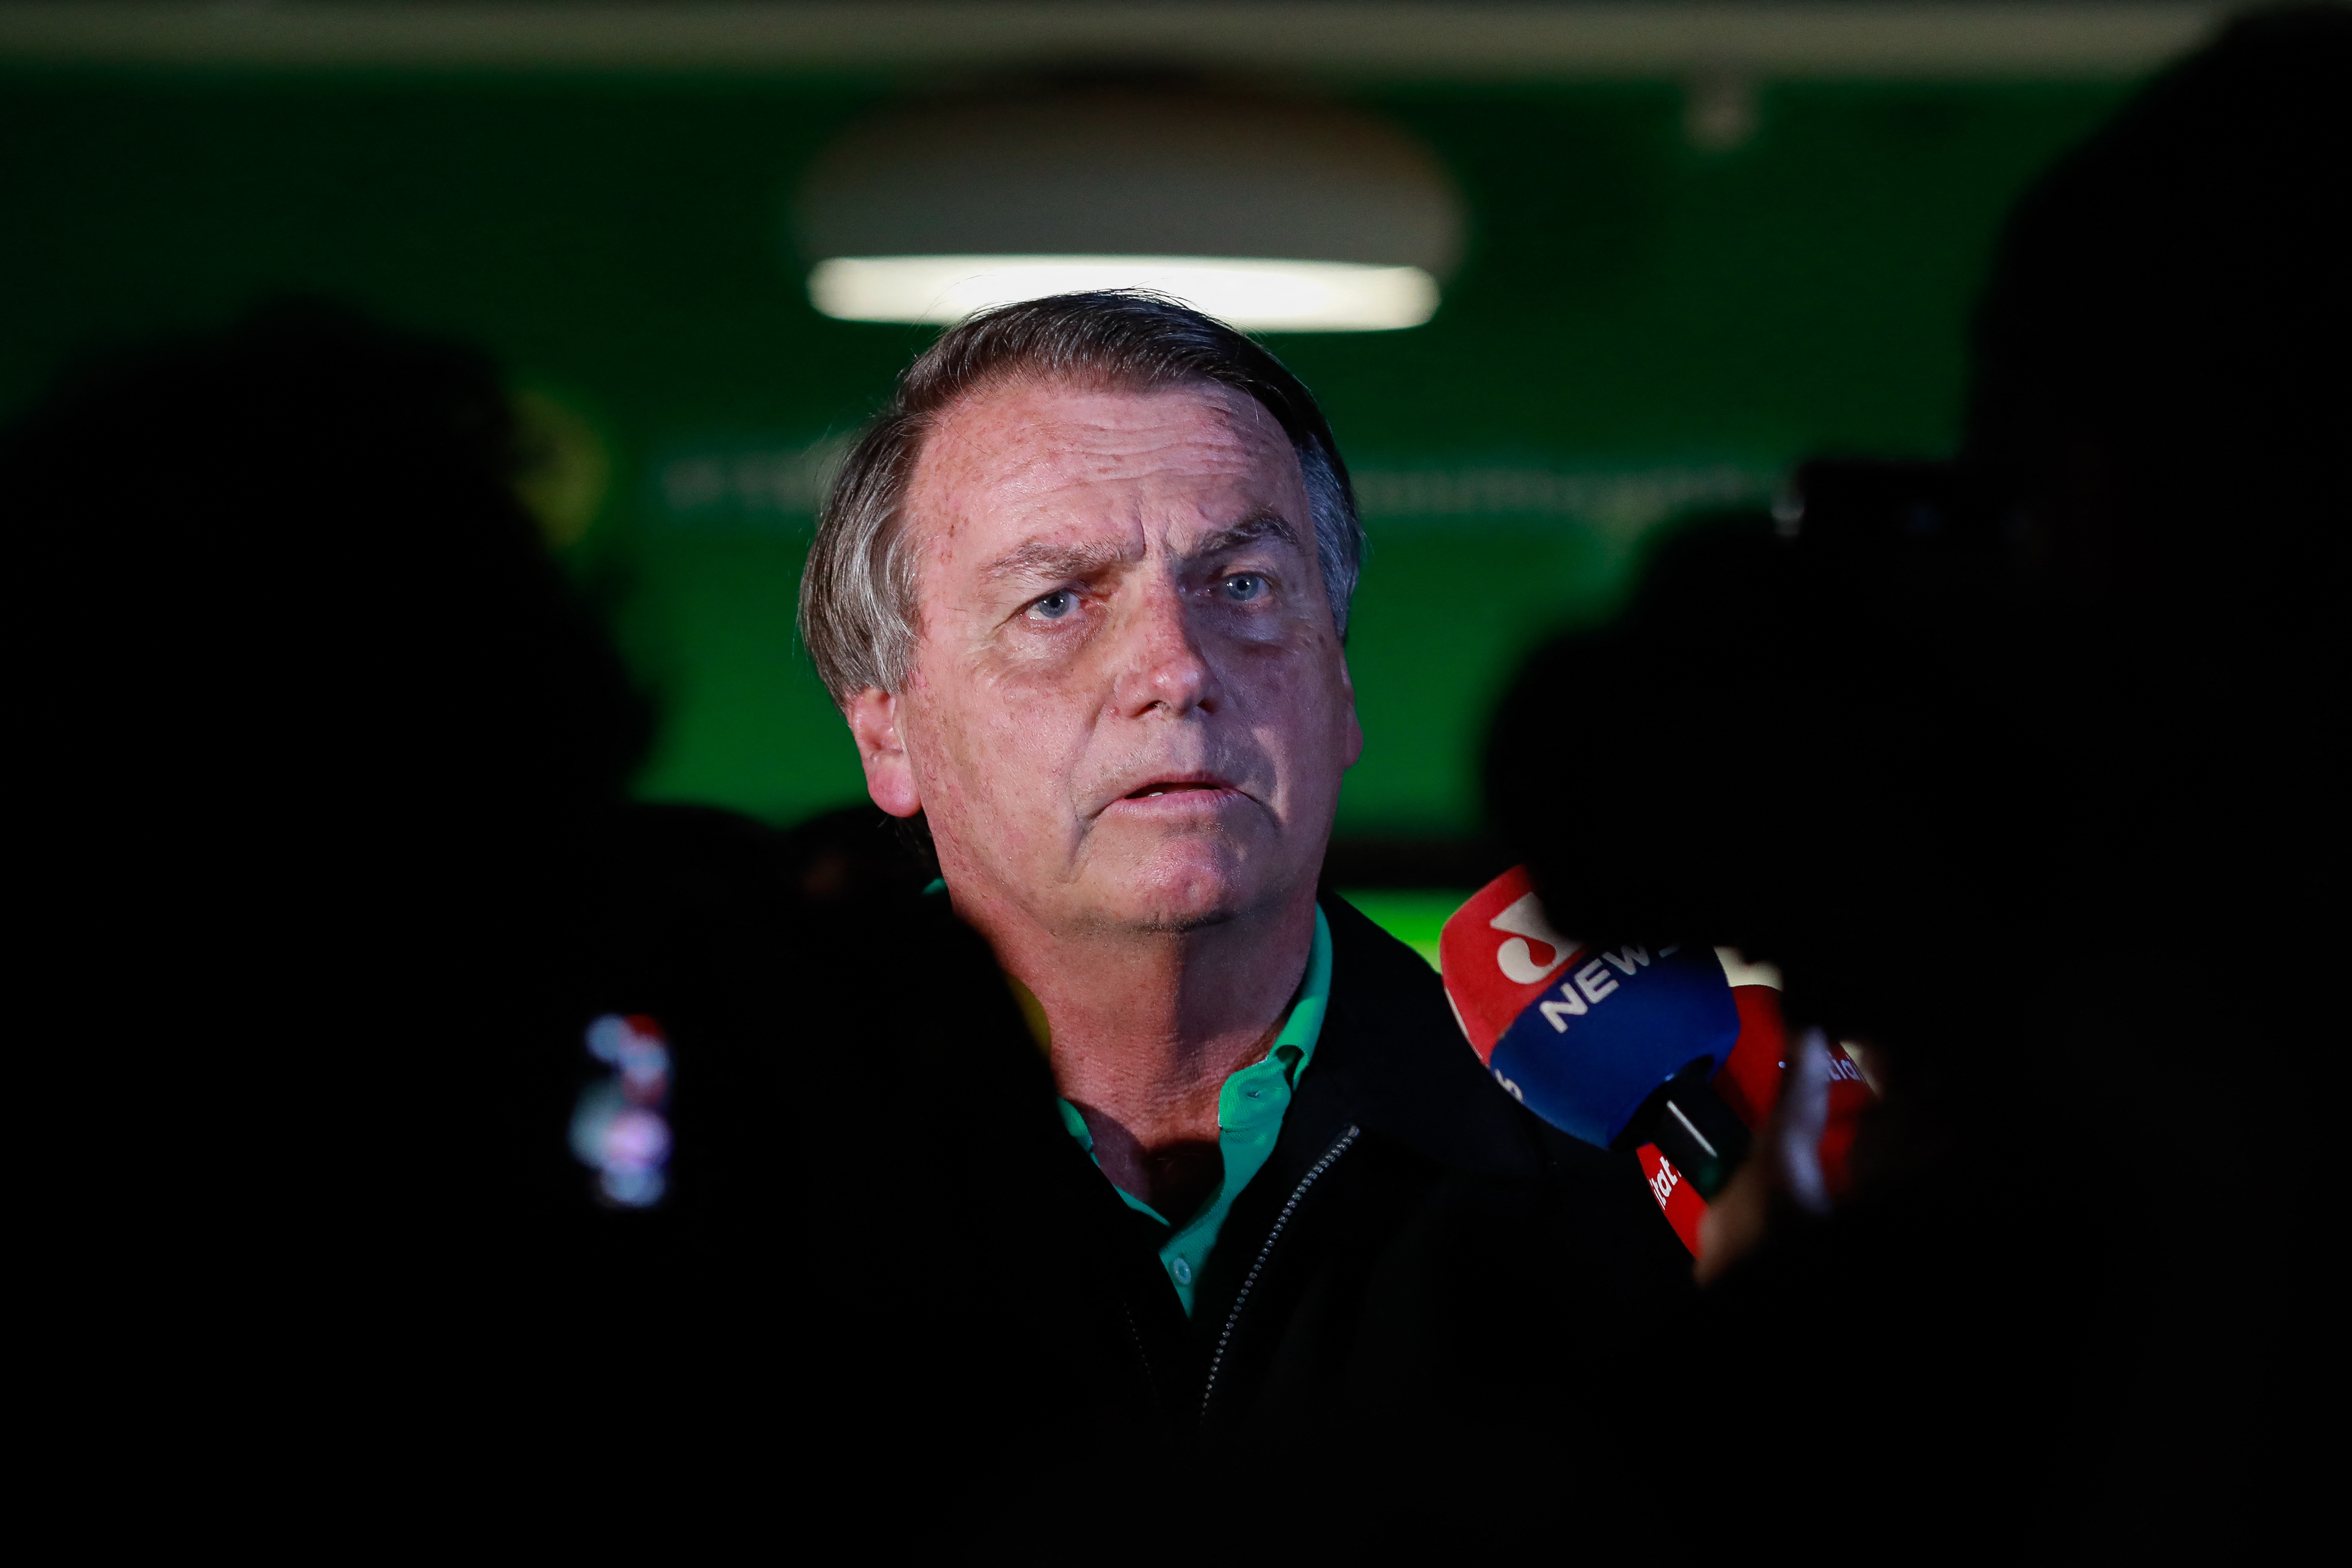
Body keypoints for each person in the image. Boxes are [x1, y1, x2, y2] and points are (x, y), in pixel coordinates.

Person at [791, 291, 1691, 1499]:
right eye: (1058, 601)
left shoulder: (1640, 1181)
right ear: (884, 730)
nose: (1176, 669)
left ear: (1343, 682)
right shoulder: (741, 1169)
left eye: (1246, 586)